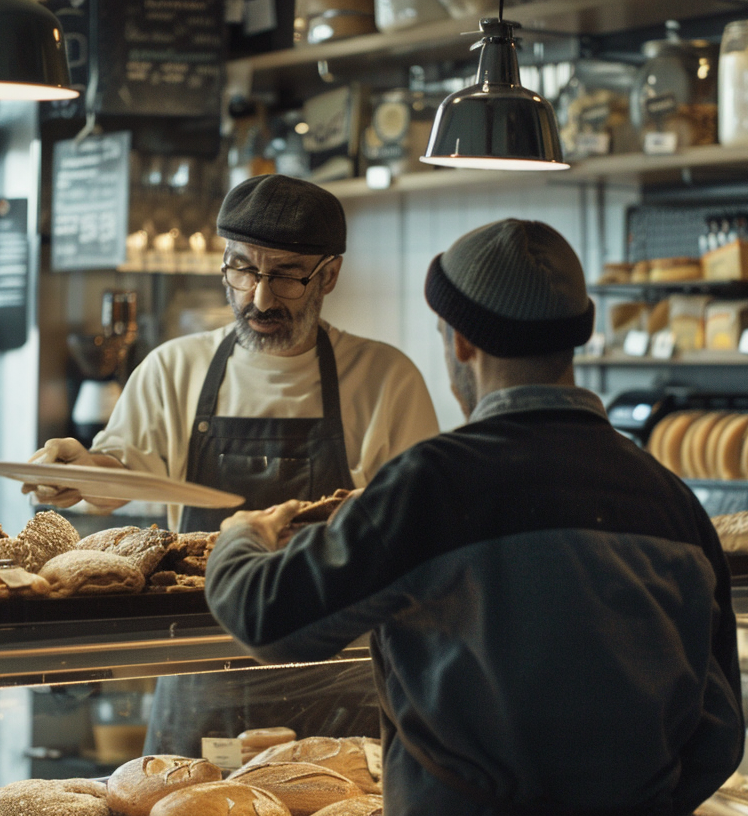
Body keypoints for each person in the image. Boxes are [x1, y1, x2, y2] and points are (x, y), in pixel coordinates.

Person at [206, 219, 745, 816]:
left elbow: (265, 616)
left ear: (461, 341)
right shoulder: (670, 499)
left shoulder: (435, 484)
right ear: (573, 339)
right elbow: (718, 732)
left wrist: (240, 538)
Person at [24, 174, 440, 753]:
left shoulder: (385, 379)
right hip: (204, 667)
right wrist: (75, 470)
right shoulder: (174, 368)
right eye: (243, 270)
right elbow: (118, 477)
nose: (260, 299)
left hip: (342, 680)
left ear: (330, 274)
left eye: (288, 276)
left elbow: (422, 534)